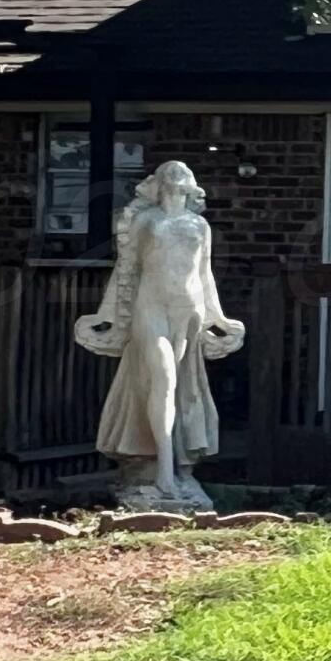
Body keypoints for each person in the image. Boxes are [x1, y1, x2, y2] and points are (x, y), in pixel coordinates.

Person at [72, 160, 247, 507]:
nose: (177, 175)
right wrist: (107, 314)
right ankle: (163, 470)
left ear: (190, 185)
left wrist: (219, 318)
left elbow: (205, 274)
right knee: (163, 380)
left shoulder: (200, 225)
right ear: (160, 182)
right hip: (150, 309)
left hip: (189, 311)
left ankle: (179, 469)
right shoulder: (146, 221)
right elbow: (126, 271)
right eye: (170, 172)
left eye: (183, 173)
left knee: (181, 388)